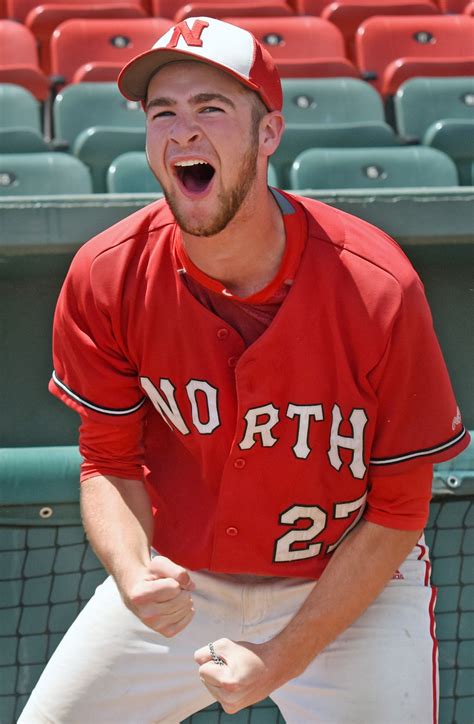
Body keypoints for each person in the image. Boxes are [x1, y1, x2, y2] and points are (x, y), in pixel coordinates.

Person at [19, 16, 469, 724]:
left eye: (212, 108)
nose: (183, 131)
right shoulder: (108, 275)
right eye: (162, 111)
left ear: (269, 135)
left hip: (351, 592)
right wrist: (133, 571)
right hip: (184, 581)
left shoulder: (376, 285)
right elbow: (107, 461)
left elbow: (400, 508)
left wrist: (284, 655)